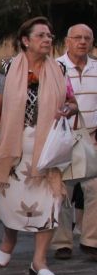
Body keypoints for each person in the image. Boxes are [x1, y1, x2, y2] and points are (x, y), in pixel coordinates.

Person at [0, 16, 75, 275]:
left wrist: (69, 108)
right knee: (11, 202)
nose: (47, 40)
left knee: (50, 202)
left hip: (47, 148)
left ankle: (39, 260)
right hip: (14, 147)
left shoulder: (60, 70)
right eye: (41, 35)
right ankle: (9, 237)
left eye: (49, 36)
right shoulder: (6, 67)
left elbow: (72, 101)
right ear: (25, 40)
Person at [52, 24, 97, 261]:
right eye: (77, 38)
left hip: (91, 140)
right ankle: (62, 243)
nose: (82, 41)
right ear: (67, 41)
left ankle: (91, 241)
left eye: (87, 38)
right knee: (61, 193)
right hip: (62, 139)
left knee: (95, 189)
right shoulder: (55, 68)